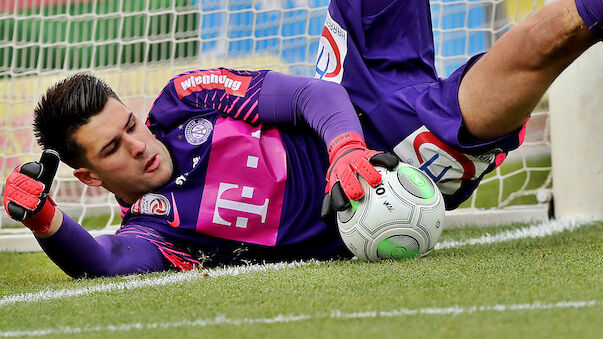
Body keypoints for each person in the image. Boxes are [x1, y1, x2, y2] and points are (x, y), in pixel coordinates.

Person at [3, 0, 601, 278]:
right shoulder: (157, 233)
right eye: (112, 149)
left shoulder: (184, 97)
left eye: (127, 124)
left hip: (349, 94)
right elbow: (104, 262)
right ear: (88, 176)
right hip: (397, 166)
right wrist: (46, 222)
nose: (137, 142)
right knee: (549, 38)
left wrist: (343, 149)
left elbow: (312, 97)